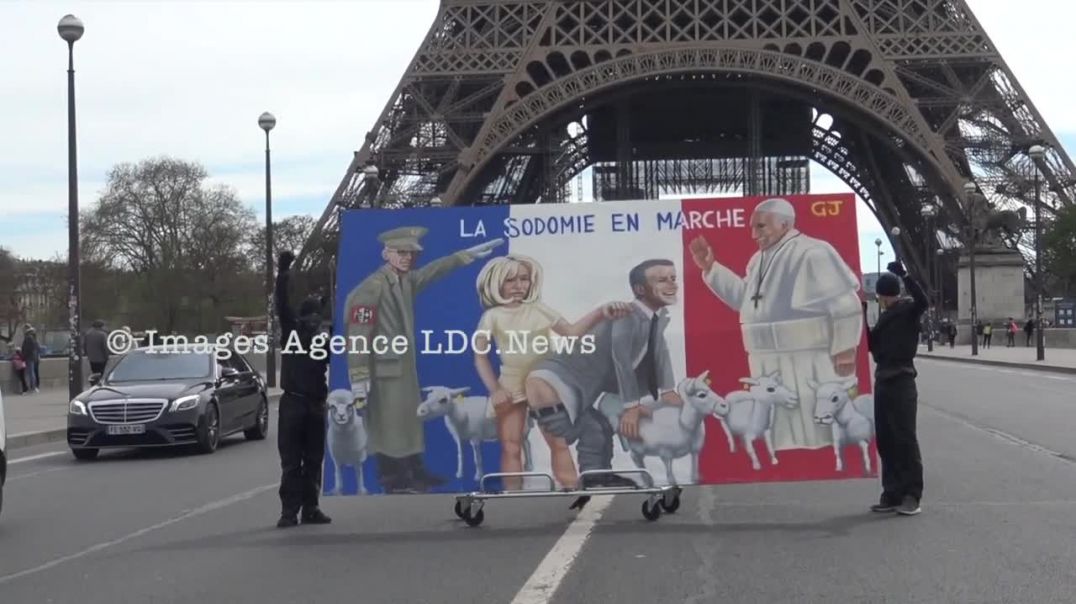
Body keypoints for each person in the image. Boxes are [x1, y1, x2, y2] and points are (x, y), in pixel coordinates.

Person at [688, 197, 862, 451]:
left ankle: (818, 459)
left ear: (784, 224)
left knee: (814, 422)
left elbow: (845, 303)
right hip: (765, 356)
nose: (753, 234)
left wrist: (845, 347)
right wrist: (711, 268)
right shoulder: (758, 259)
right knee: (779, 422)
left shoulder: (813, 252)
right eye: (752, 227)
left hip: (806, 353)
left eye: (760, 226)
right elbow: (745, 300)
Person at [345, 226, 503, 493]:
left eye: (411, 253)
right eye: (401, 252)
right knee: (389, 424)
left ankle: (414, 471)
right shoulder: (369, 290)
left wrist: (465, 255)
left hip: (401, 367)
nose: (408, 257)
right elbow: (358, 337)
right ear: (386, 254)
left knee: (407, 421)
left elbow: (432, 272)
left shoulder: (403, 280)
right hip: (383, 370)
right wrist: (359, 379)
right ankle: (393, 479)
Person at [524, 259, 681, 500]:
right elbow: (622, 361)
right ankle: (581, 485)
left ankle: (594, 477)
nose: (672, 284)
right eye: (662, 279)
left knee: (597, 430)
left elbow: (660, 352)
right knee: (578, 433)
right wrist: (631, 407)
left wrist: (668, 389)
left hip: (566, 387)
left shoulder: (653, 319)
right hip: (552, 383)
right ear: (640, 289)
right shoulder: (627, 316)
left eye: (673, 278)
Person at [472, 254, 630, 490]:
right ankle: (512, 494)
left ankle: (570, 488)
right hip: (511, 388)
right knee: (512, 444)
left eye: (523, 279)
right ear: (496, 283)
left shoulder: (539, 310)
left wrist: (600, 313)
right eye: (510, 280)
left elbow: (572, 332)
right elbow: (480, 356)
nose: (518, 286)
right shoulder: (492, 316)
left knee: (558, 442)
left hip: (542, 387)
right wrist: (495, 390)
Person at [274, 250, 332, 528]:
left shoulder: (324, 341)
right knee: (291, 462)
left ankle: (309, 507)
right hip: (295, 404)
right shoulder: (292, 332)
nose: (316, 322)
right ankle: (290, 511)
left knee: (312, 460)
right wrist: (283, 273)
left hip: (314, 405)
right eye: (314, 317)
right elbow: (281, 304)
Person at [866, 260, 927, 516]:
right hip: (883, 381)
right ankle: (891, 493)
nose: (884, 300)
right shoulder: (883, 318)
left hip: (902, 380)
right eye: (882, 297)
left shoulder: (909, 309)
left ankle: (912, 495)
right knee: (886, 440)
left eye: (885, 296)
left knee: (905, 440)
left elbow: (924, 301)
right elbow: (871, 345)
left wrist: (906, 275)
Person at [20, 325, 40, 393]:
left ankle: (32, 387)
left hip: (28, 357)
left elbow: (26, 349)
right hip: (33, 357)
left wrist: (23, 356)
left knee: (30, 373)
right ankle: (33, 387)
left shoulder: (28, 339)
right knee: (32, 372)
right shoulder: (34, 339)